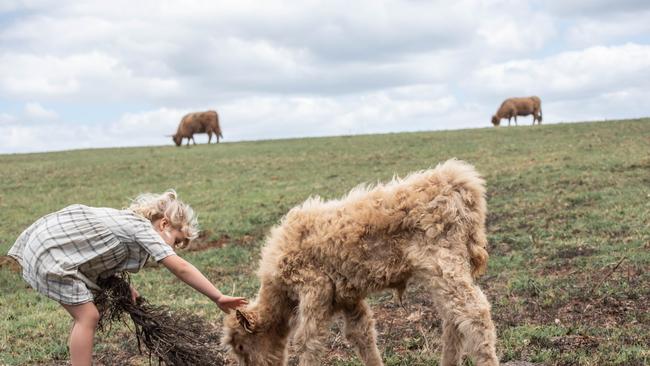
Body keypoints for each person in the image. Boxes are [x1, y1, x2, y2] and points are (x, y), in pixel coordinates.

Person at [7, 189, 247, 366]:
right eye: (176, 241)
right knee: (88, 316)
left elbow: (97, 253)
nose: (174, 249)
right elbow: (180, 267)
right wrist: (218, 296)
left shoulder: (131, 225)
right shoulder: (141, 228)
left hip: (52, 247)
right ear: (164, 224)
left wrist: (121, 285)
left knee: (87, 314)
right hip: (51, 253)